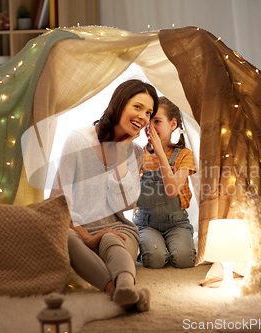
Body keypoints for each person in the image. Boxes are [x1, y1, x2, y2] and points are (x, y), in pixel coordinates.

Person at [50, 79, 158, 311]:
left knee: (111, 237)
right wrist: (87, 237)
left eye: (148, 112)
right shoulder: (78, 140)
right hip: (75, 228)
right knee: (63, 236)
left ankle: (125, 287)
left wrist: (120, 156)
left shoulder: (135, 152)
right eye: (137, 107)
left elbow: (126, 203)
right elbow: (59, 199)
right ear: (119, 104)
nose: (143, 117)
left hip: (116, 227)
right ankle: (117, 291)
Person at [133, 96, 197, 269]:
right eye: (148, 121)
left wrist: (161, 154)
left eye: (157, 121)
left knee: (184, 260)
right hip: (146, 222)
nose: (150, 127)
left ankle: (174, 243)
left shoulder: (184, 154)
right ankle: (151, 246)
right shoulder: (139, 154)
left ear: (173, 124)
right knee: (155, 260)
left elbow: (172, 191)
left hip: (176, 222)